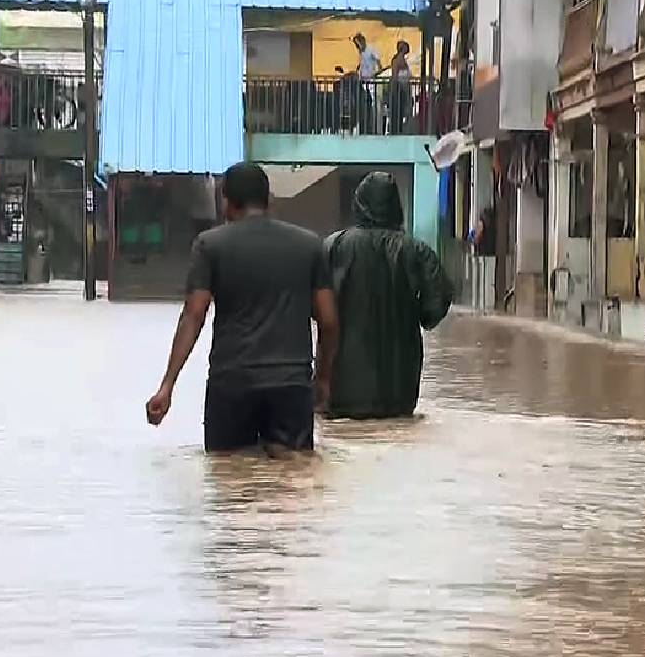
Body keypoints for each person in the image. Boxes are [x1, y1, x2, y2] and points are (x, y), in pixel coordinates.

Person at [146, 163, 339, 453]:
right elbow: (329, 321)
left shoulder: (210, 245)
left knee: (229, 478)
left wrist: (168, 385)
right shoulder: (310, 245)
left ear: (226, 201)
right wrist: (322, 379)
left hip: (232, 382)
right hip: (291, 384)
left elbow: (194, 314)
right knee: (293, 483)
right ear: (269, 200)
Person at [324, 172, 453, 420]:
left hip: (345, 381)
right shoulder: (416, 250)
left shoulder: (335, 246)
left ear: (359, 204)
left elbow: (315, 304)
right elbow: (438, 300)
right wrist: (416, 315)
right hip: (399, 382)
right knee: (397, 425)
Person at [388, 40, 412, 135]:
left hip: (403, 88)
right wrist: (394, 88)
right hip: (399, 88)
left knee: (401, 110)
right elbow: (395, 75)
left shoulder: (403, 60)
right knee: (397, 110)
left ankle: (400, 128)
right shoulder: (397, 60)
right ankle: (396, 130)